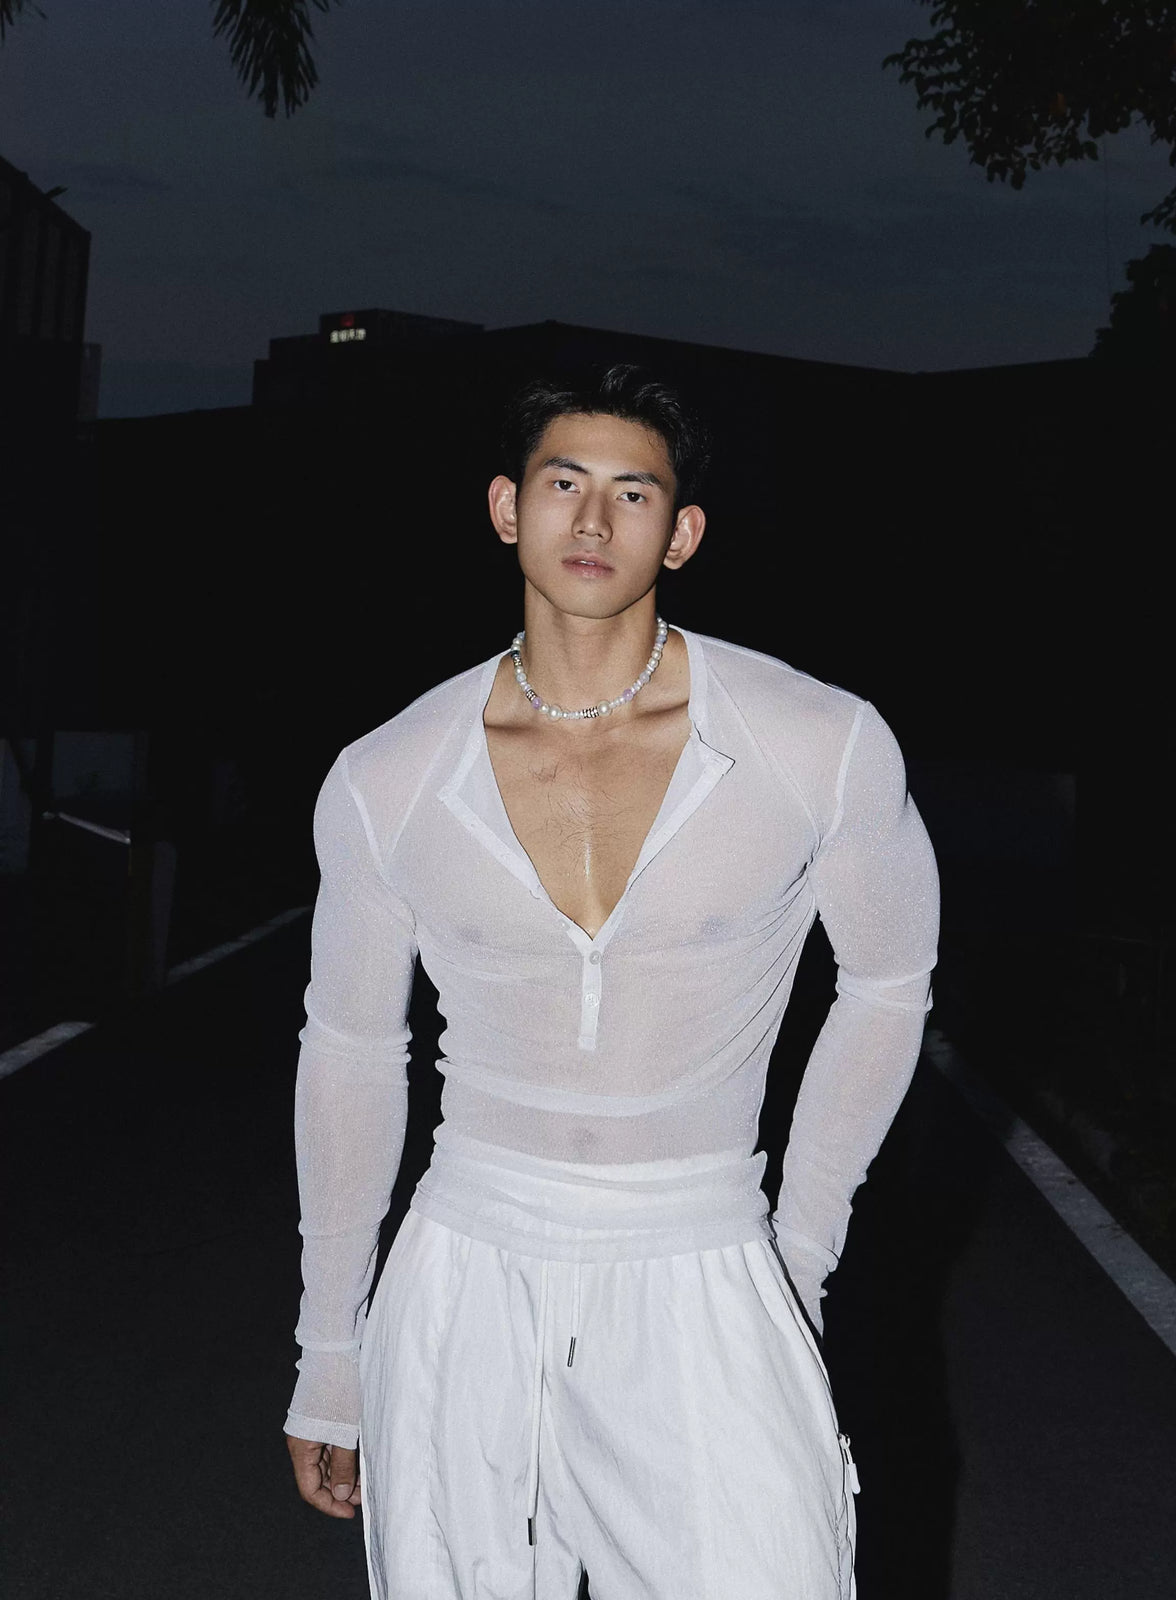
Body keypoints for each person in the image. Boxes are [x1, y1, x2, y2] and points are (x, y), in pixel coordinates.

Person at [284, 362, 939, 1598]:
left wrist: (798, 1250)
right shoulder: (388, 774)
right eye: (563, 483)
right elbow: (352, 1053)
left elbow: (889, 983)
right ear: (505, 507)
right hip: (465, 1265)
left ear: (681, 533)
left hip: (702, 1252)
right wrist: (330, 1350)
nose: (593, 519)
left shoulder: (817, 740)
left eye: (634, 493)